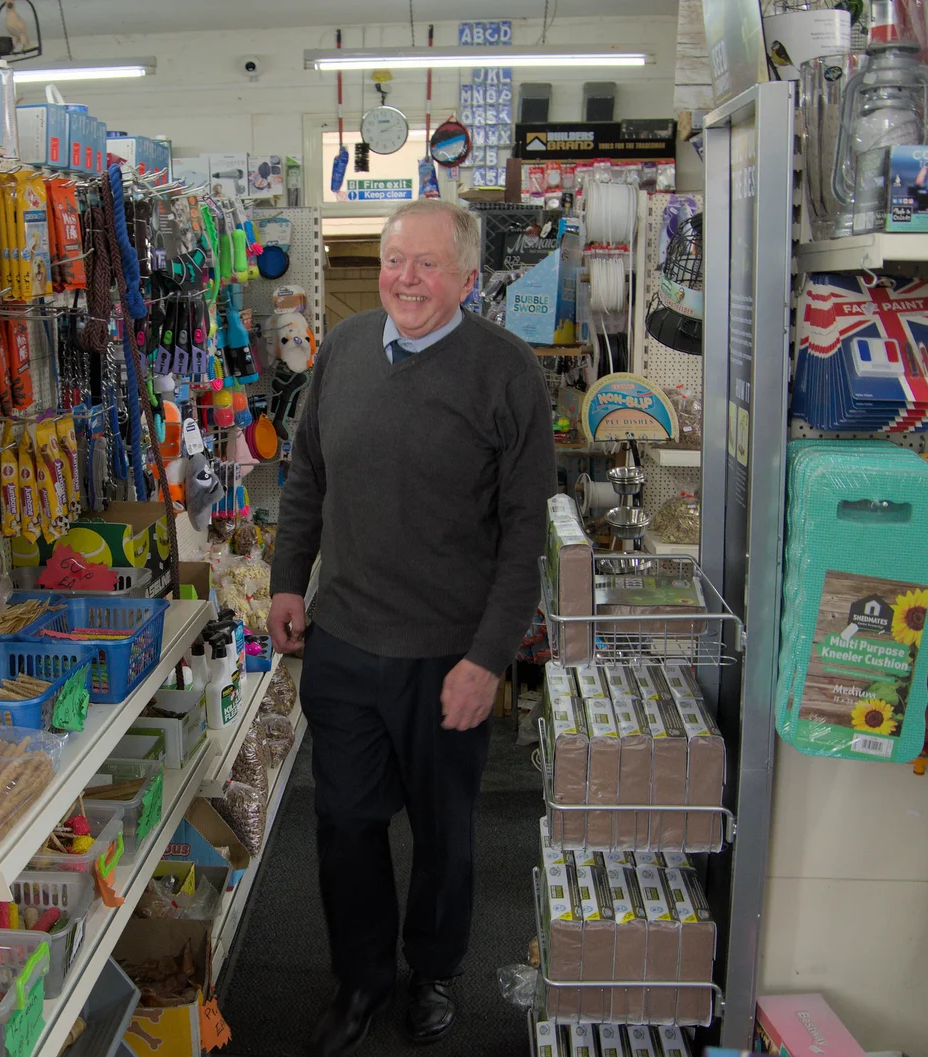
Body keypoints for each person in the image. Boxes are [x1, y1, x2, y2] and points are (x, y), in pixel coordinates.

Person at [267, 198, 555, 1055]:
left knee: (444, 831)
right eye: (395, 260)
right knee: (345, 826)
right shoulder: (347, 350)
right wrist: (289, 580)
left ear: (468, 276)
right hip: (345, 642)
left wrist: (487, 658)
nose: (405, 278)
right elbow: (306, 474)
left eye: (427, 264)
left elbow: (523, 536)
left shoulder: (508, 373)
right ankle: (361, 979)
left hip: (447, 657)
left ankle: (432, 969)